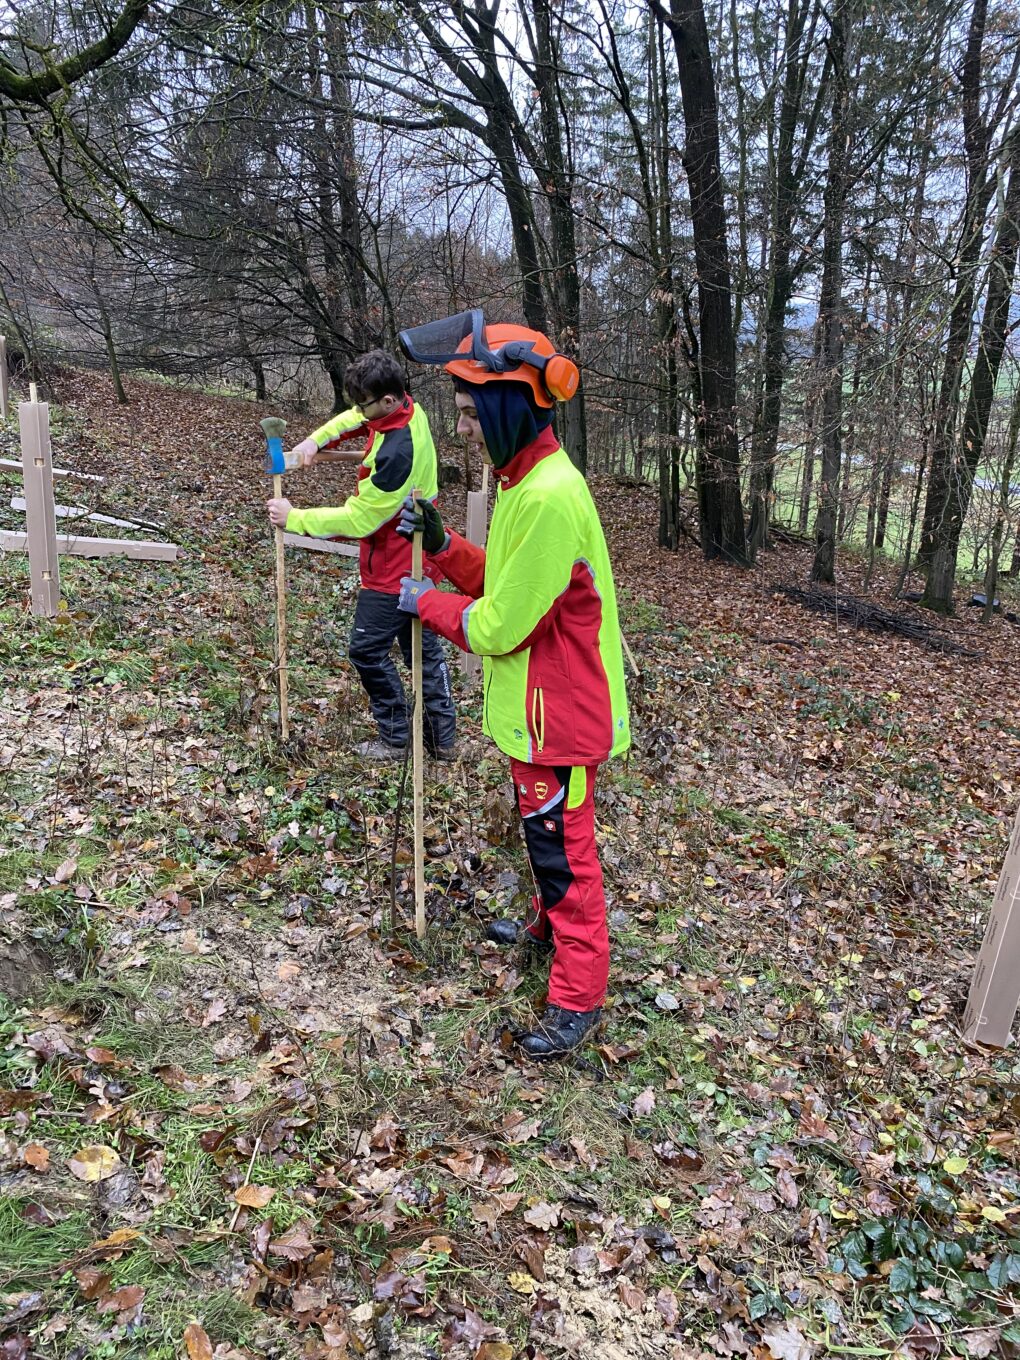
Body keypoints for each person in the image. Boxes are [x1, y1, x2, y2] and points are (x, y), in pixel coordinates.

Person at [394, 313, 630, 1059]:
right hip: (538, 711)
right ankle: (544, 928)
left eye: (468, 414)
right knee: (543, 840)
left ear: (506, 407)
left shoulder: (551, 495)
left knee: (566, 856)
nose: (461, 429)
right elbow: (509, 580)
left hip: (561, 719)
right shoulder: (524, 480)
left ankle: (577, 997)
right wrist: (444, 546)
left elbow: (500, 625)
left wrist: (424, 601)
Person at [266, 348, 456, 760]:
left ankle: (395, 740)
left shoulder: (395, 456)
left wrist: (294, 517)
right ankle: (443, 741)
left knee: (366, 651)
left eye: (365, 403)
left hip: (394, 568)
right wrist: (313, 443)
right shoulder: (407, 408)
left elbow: (359, 520)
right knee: (421, 652)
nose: (360, 411)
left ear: (387, 401)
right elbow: (354, 418)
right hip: (417, 557)